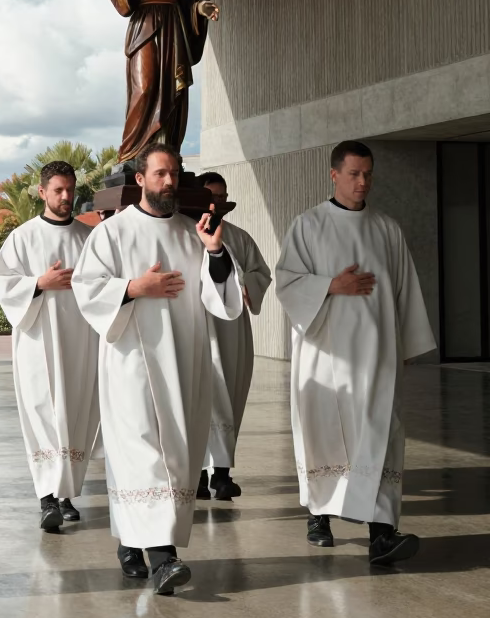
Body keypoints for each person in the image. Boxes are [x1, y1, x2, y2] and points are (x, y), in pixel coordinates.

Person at [72, 143, 243, 595]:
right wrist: (133, 287)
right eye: (160, 174)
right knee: (144, 458)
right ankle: (164, 558)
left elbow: (221, 302)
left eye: (174, 173)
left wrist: (217, 253)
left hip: (183, 364)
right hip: (130, 366)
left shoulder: (195, 233)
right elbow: (86, 289)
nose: (169, 182)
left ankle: (133, 541)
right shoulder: (111, 234)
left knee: (177, 460)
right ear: (141, 179)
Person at [275, 141, 436, 564]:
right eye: (353, 174)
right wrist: (331, 285)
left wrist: (404, 347)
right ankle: (319, 516)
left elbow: (405, 293)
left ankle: (383, 535)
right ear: (334, 175)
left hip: (377, 358)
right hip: (326, 357)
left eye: (368, 174)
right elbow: (287, 282)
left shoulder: (387, 229)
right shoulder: (308, 225)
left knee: (381, 439)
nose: (362, 182)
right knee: (325, 436)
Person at [0, 161, 100, 532]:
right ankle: (47, 498)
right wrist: (40, 282)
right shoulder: (23, 238)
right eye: (58, 190)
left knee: (75, 415)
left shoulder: (89, 239)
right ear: (41, 193)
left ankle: (66, 494)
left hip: (82, 342)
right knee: (42, 413)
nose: (66, 197)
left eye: (70, 189)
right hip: (38, 342)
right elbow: (4, 281)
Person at [107, 0, 220, 163]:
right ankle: (133, 153)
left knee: (172, 90)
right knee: (145, 86)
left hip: (173, 28)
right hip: (145, 24)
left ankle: (166, 150)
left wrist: (201, 7)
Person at [195, 172, 271, 500]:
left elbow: (261, 273)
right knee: (199, 399)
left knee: (230, 394)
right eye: (210, 196)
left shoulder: (239, 237)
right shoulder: (188, 234)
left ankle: (222, 475)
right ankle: (196, 475)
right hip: (200, 327)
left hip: (233, 330)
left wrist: (242, 285)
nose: (217, 202)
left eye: (222, 196)